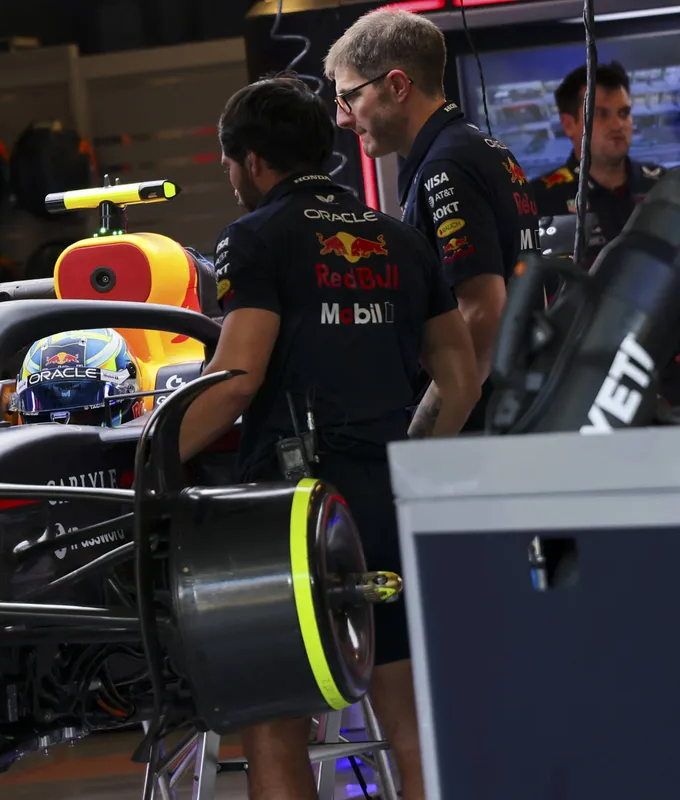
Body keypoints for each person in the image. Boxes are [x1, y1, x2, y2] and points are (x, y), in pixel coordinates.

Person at [177, 73, 480, 800]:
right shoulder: (402, 239)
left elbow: (238, 378)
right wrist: (405, 461)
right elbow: (462, 377)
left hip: (290, 518)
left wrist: (147, 453)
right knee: (409, 728)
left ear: (251, 162)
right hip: (383, 502)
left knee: (278, 726)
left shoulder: (254, 238)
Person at [325, 8, 540, 437]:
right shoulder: (479, 147)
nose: (342, 118)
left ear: (398, 86)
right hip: (518, 409)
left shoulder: (447, 165)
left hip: (486, 432)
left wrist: (422, 444)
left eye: (349, 98)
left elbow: (482, 315)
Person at [532, 61, 665, 271]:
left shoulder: (665, 187)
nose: (617, 125)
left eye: (624, 113)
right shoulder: (537, 200)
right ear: (568, 124)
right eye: (601, 114)